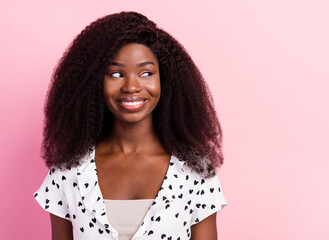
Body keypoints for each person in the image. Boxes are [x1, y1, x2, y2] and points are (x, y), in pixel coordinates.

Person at [34, 11, 227, 240]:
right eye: (116, 74)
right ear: (94, 82)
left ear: (164, 80)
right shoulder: (69, 172)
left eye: (146, 73)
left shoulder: (195, 172)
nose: (132, 87)